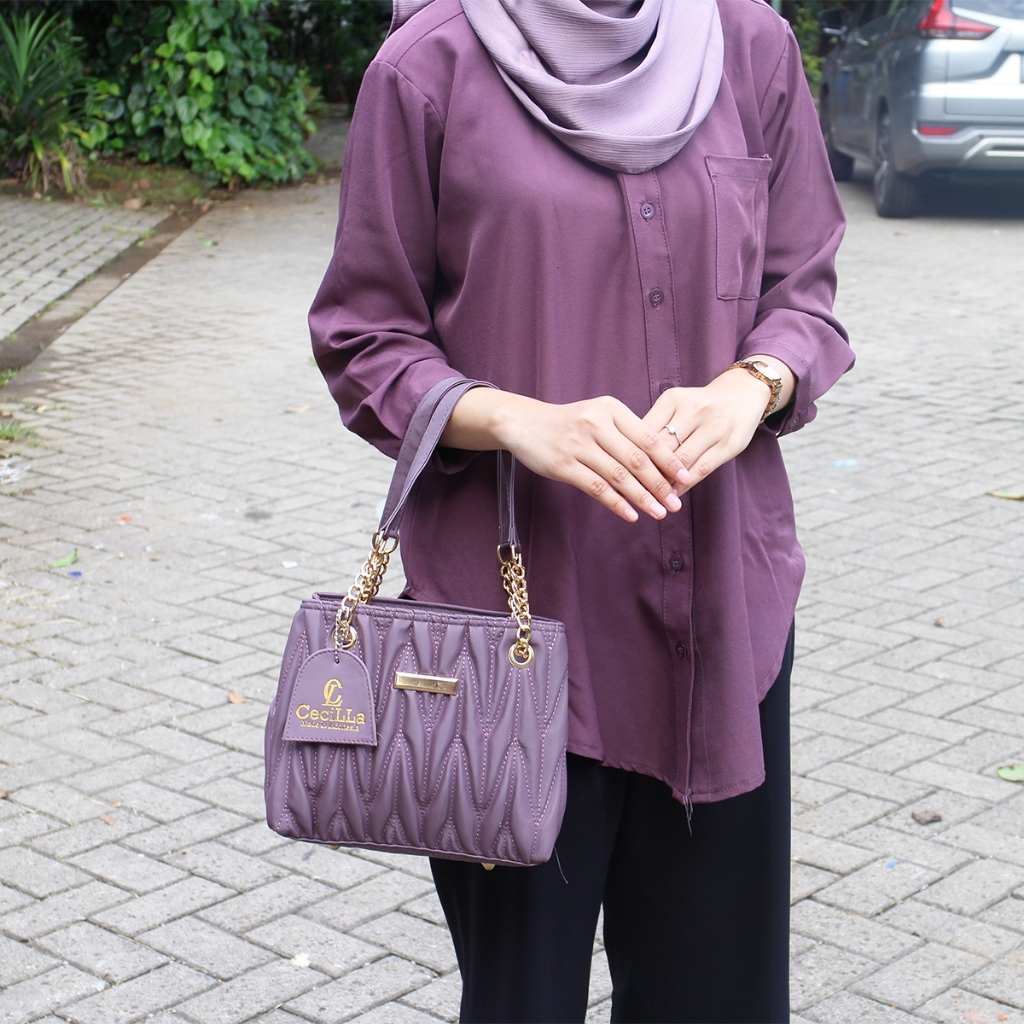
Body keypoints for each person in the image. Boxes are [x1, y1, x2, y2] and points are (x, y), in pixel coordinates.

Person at [309, 0, 853, 1020]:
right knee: (524, 1000)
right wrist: (514, 418)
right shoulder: (429, 65)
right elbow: (363, 335)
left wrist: (755, 384)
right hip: (515, 646)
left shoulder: (750, 44)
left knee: (718, 1001)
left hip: (722, 627)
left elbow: (804, 286)